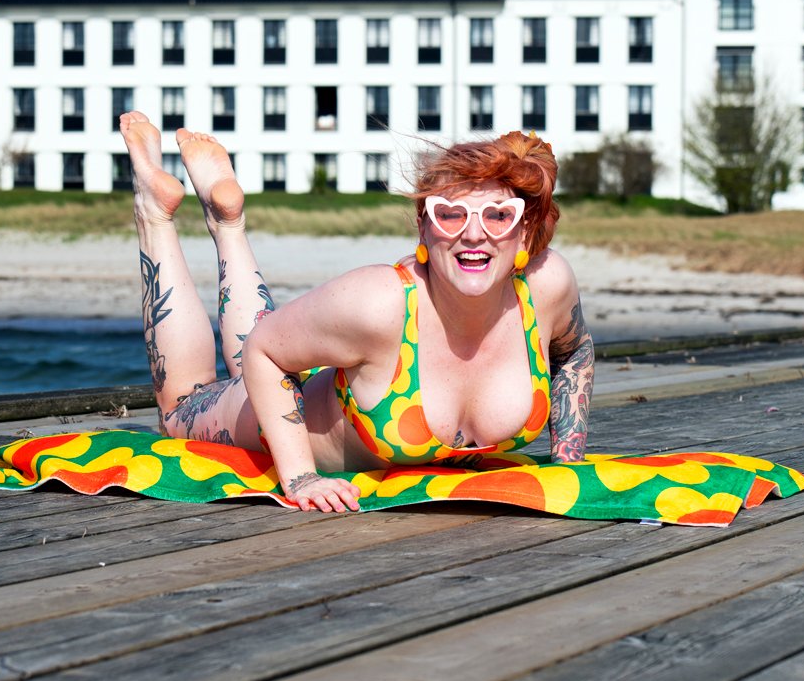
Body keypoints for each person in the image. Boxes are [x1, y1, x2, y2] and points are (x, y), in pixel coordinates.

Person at [119, 110, 594, 514]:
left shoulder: (546, 287)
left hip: (356, 370)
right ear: (424, 229)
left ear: (526, 232)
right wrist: (302, 478)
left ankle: (227, 221)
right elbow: (264, 349)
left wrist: (567, 461)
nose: (473, 234)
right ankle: (155, 211)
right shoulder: (379, 300)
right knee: (182, 405)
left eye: (498, 215)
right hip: (283, 416)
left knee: (263, 356)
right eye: (450, 214)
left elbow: (575, 351)